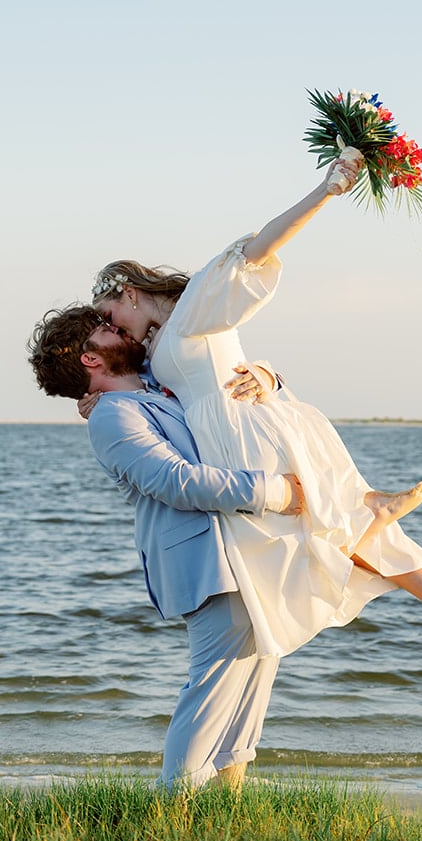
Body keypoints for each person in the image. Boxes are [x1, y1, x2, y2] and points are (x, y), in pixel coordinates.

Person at [88, 149, 422, 683]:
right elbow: (160, 391)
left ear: (129, 292)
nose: (117, 330)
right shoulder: (159, 347)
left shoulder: (195, 303)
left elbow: (258, 248)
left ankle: (373, 515)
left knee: (301, 552)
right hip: (239, 430)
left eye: (111, 316)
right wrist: (97, 397)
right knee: (328, 542)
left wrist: (326, 190)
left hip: (246, 433)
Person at [27, 307, 308, 789]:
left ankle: (228, 805)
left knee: (253, 680)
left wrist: (267, 377)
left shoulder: (155, 387)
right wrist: (280, 493)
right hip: (205, 560)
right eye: (107, 330)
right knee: (213, 687)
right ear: (91, 359)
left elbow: (219, 375)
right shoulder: (112, 416)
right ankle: (172, 808)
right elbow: (173, 481)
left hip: (246, 548)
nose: (121, 328)